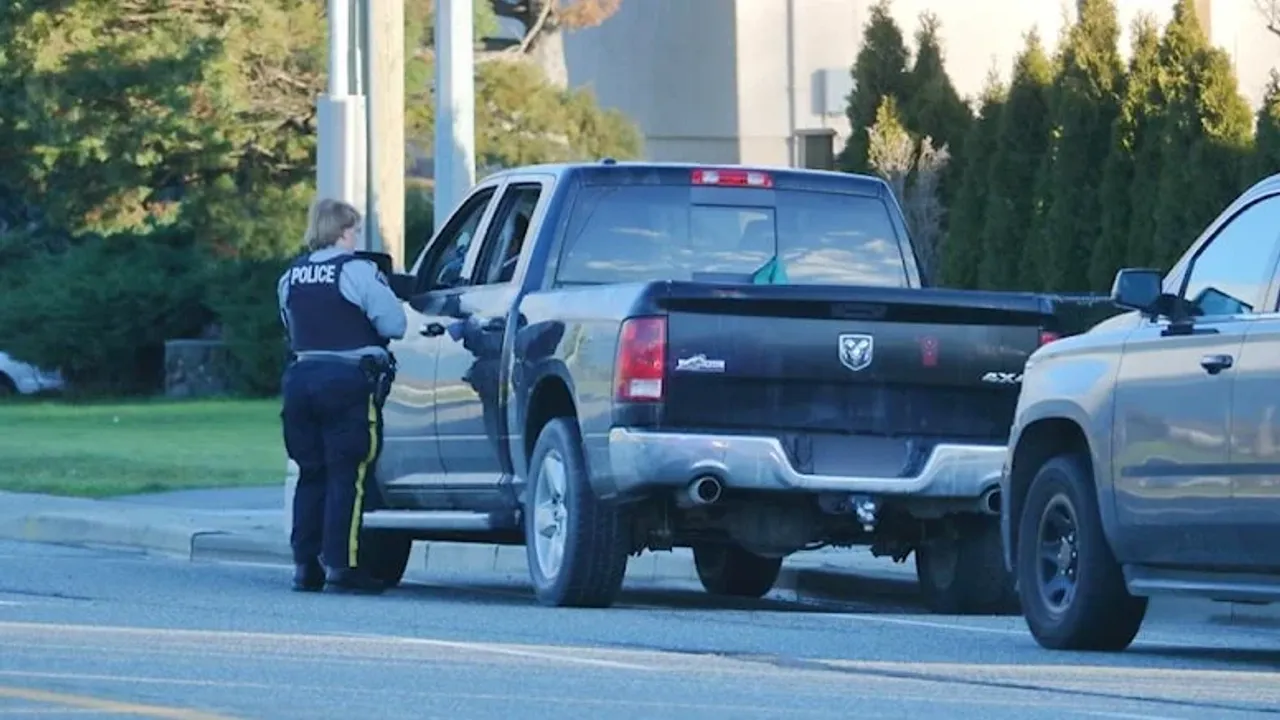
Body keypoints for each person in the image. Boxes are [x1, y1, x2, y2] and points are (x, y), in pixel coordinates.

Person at [278, 198, 407, 594]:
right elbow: (394, 323)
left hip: (300, 380)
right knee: (347, 474)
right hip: (346, 381)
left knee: (310, 472)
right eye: (353, 230)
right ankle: (342, 564)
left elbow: (289, 324)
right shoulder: (357, 272)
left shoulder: (292, 276)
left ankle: (305, 565)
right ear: (341, 231)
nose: (355, 237)